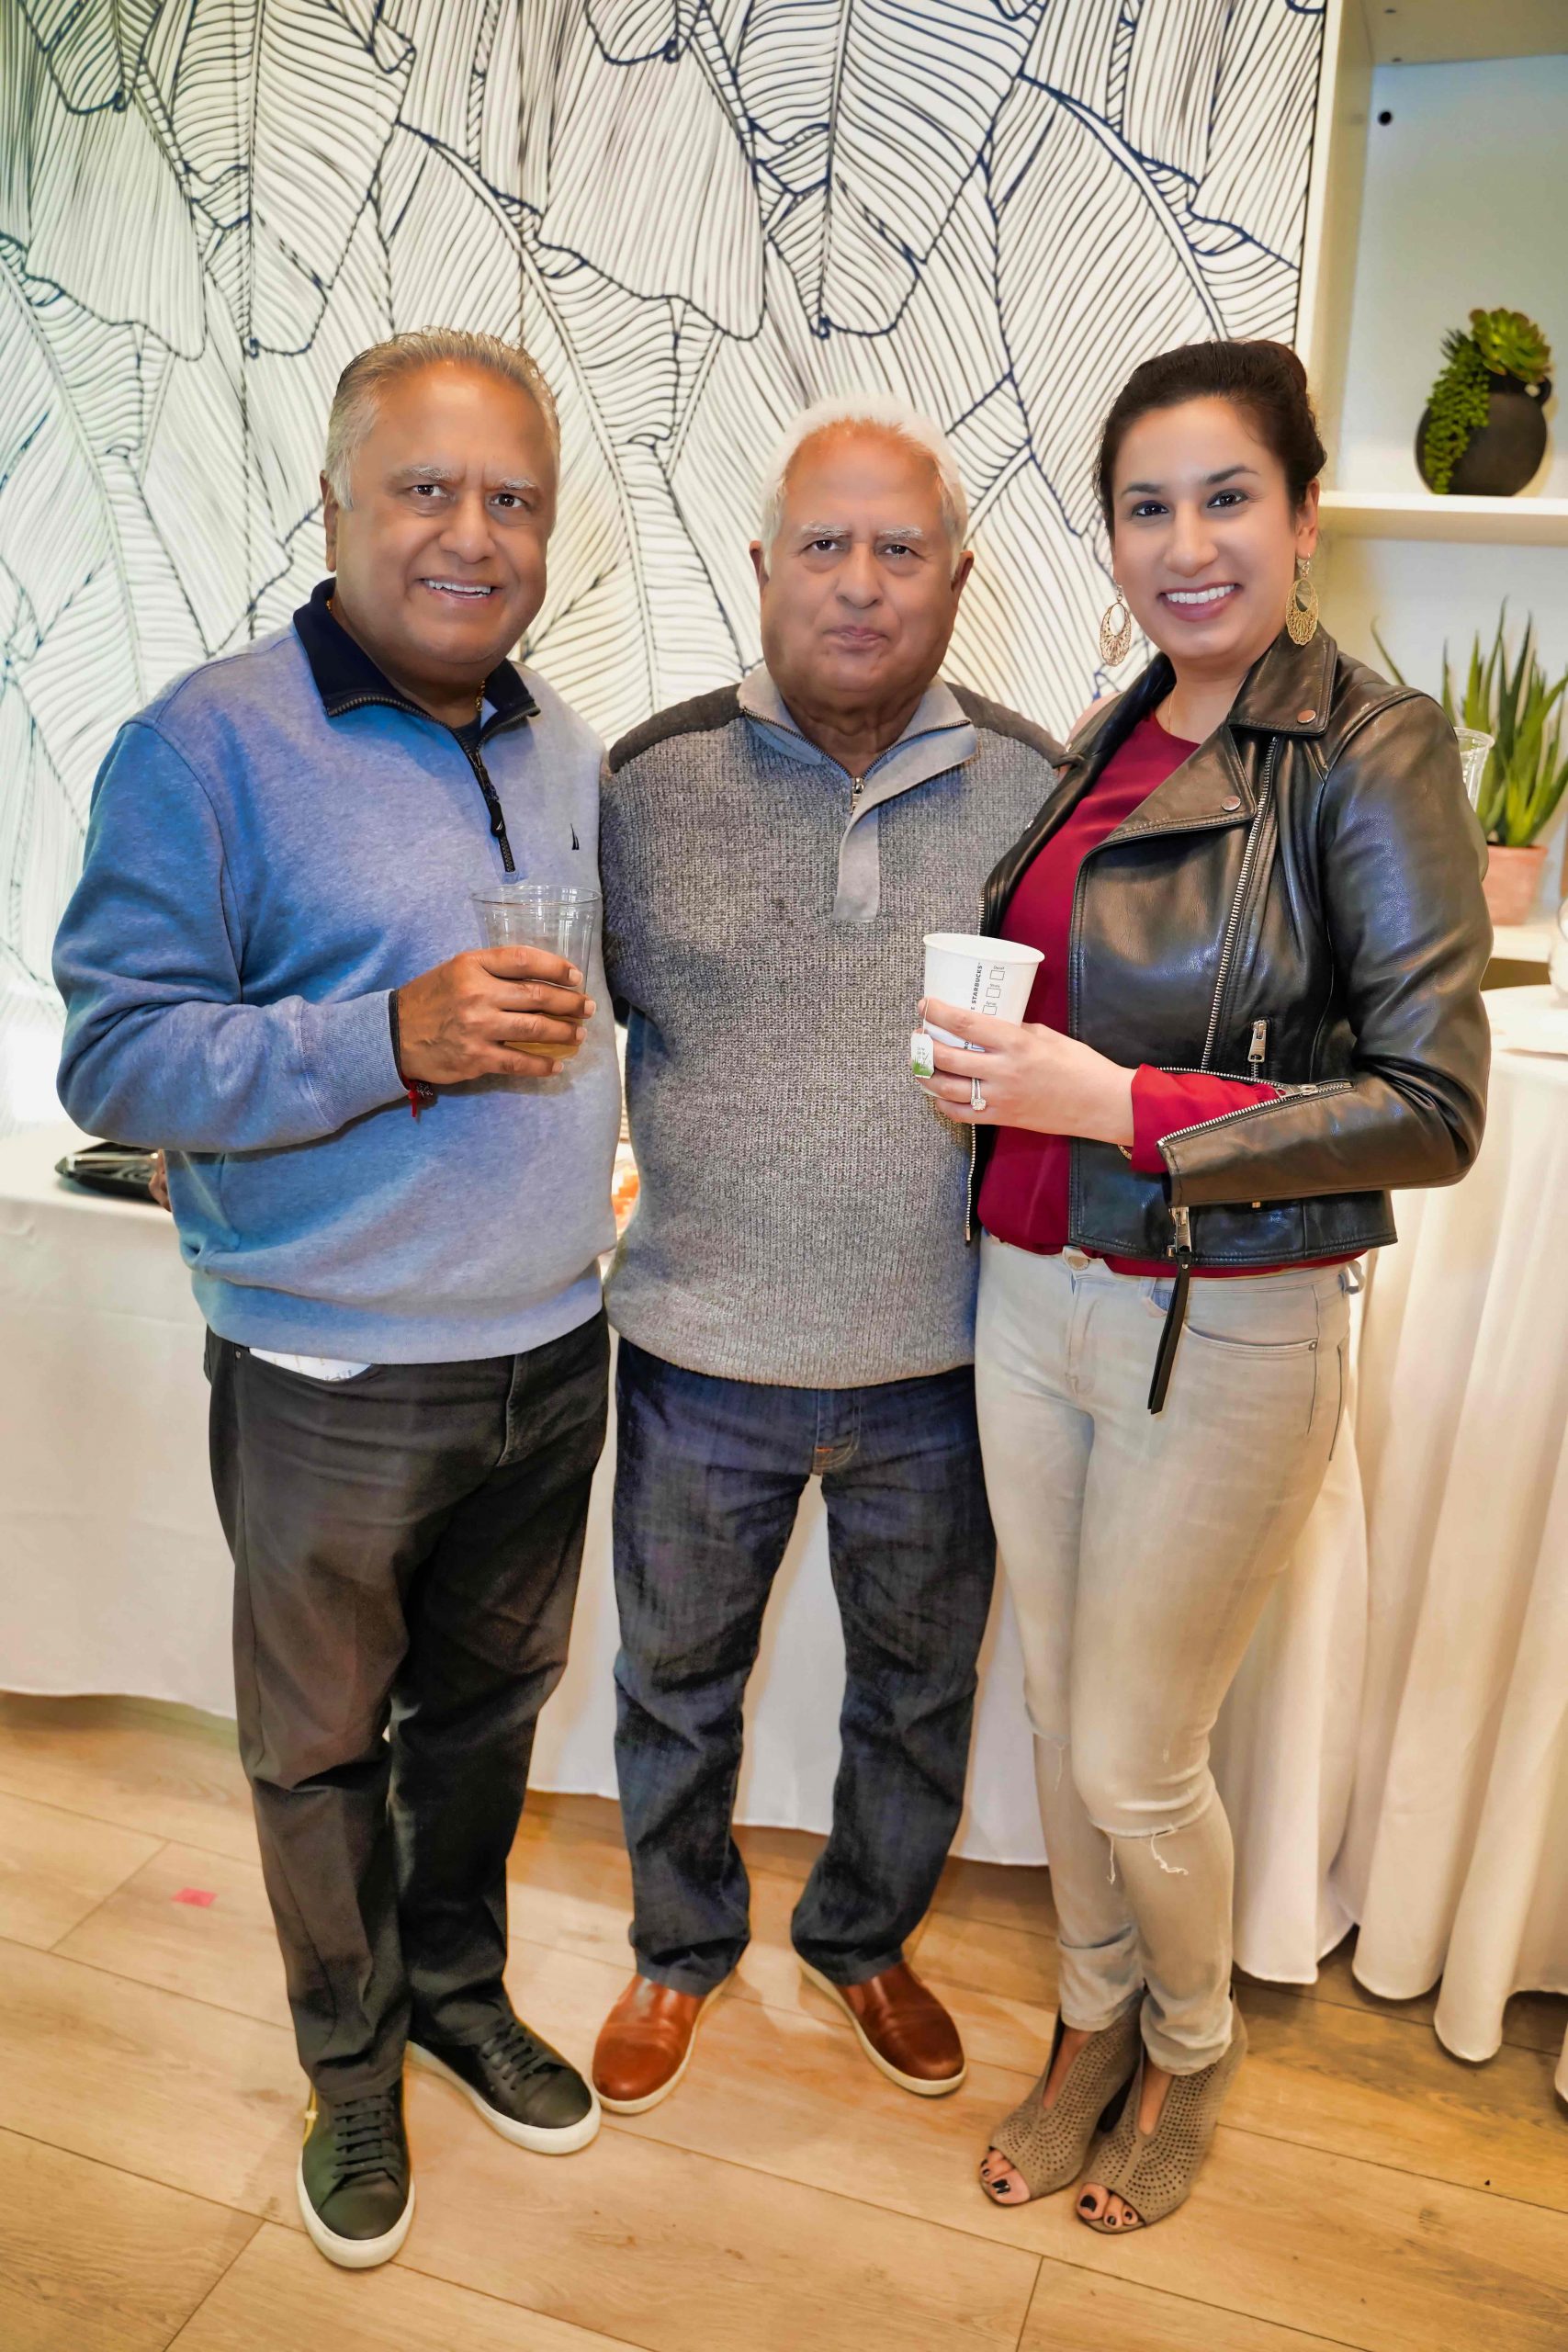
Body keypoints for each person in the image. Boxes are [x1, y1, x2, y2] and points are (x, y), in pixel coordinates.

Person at [53, 331, 621, 2269]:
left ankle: (455, 1992)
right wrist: (388, 1036)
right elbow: (116, 1060)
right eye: (426, 488)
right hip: (328, 1365)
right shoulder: (203, 746)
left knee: (486, 1719)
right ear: (334, 503)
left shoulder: (562, 744)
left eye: (513, 498)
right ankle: (350, 2057)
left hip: (549, 1346)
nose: (473, 533)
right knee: (318, 1746)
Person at [915, 338, 1490, 2233]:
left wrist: (1117, 1104)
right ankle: (1090, 2019)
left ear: (1304, 514)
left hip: (1221, 1319)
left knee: (1131, 1753)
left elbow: (1429, 1105)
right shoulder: (1114, 730)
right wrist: (997, 1082)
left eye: (1226, 497)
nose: (1185, 544)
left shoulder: (1373, 750)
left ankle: (1189, 2036)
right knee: (1058, 1714)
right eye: (1144, 507)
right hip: (1032, 1295)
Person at [591, 395, 1065, 2114]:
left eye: (899, 548)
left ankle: (864, 1936)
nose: (860, 581)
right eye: (823, 544)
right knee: (674, 1685)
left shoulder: (1034, 791)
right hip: (698, 1351)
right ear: (762, 567)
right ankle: (676, 1948)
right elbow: (566, 1037)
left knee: (918, 1693)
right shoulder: (643, 788)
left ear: (957, 577)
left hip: (946, 1357)